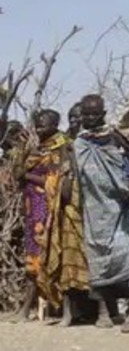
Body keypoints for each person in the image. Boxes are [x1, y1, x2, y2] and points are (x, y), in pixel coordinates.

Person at [73, 95, 129, 333]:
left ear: (103, 114)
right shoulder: (80, 143)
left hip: (124, 207)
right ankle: (105, 311)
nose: (90, 118)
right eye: (86, 113)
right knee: (99, 258)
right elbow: (89, 177)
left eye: (95, 113)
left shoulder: (115, 137)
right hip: (96, 209)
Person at [35, 109, 91, 327]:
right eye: (73, 119)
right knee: (65, 260)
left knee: (78, 260)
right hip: (60, 211)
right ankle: (68, 312)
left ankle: (85, 312)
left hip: (78, 210)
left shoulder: (72, 145)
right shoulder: (60, 146)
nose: (77, 122)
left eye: (80, 117)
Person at [14, 111, 62, 322]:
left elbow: (56, 183)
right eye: (37, 125)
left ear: (55, 125)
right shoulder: (36, 150)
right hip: (33, 210)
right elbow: (16, 175)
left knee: (45, 256)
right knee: (33, 257)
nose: (39, 129)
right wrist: (22, 151)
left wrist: (29, 176)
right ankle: (29, 308)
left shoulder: (60, 149)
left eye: (43, 125)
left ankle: (35, 307)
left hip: (49, 210)